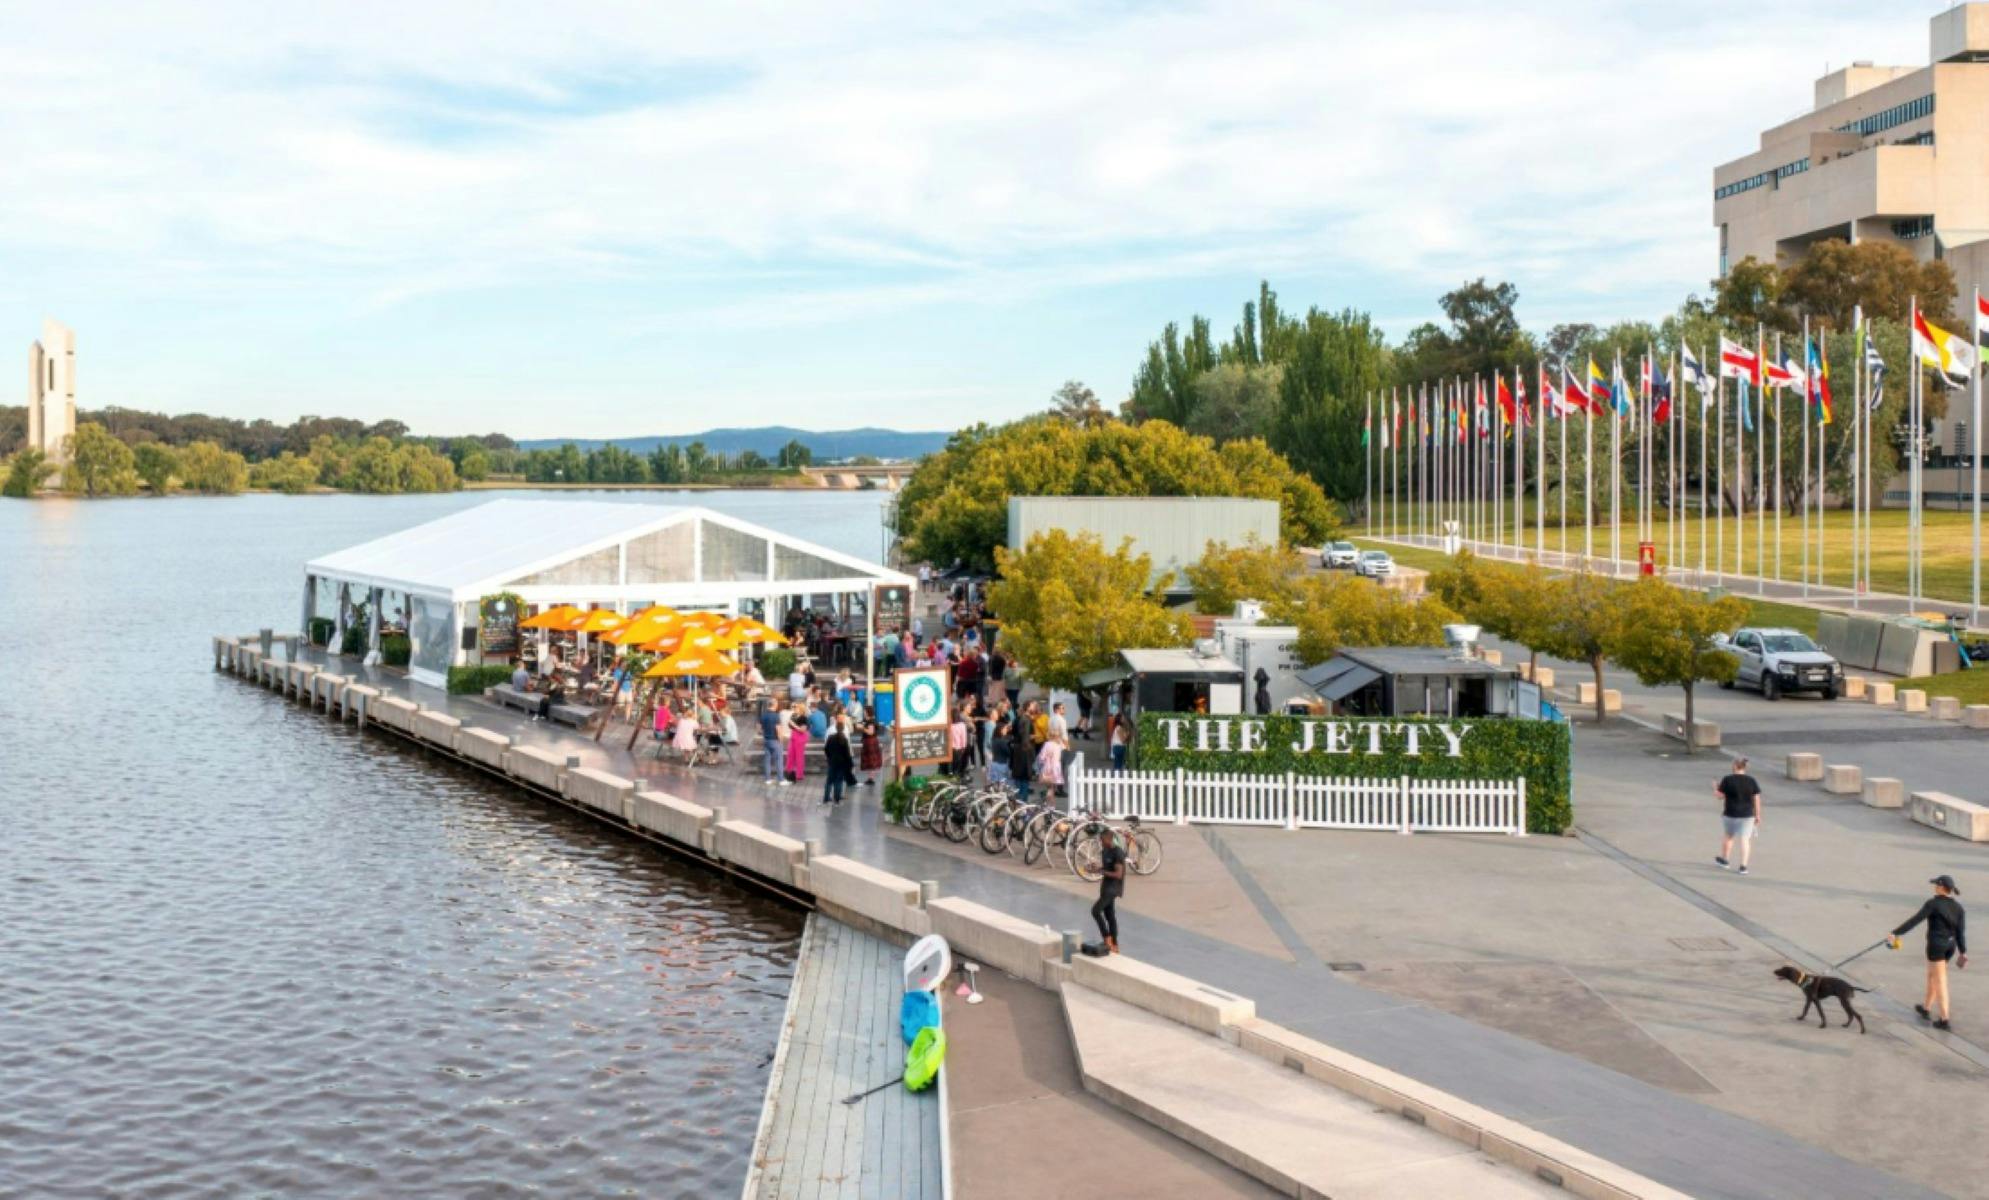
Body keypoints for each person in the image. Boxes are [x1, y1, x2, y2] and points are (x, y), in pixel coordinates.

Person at [1889, 875, 1968, 1030]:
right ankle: (1926, 1008)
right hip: (1950, 947)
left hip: (1936, 947)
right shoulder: (1959, 908)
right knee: (1933, 976)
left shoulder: (1933, 904)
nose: (1934, 887)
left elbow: (1915, 920)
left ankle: (1945, 1019)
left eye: (1936, 885)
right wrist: (1963, 952)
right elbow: (1960, 932)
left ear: (1940, 887)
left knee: (1940, 981)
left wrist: (1896, 932)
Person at [1714, 757, 1762, 875]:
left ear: (1735, 766)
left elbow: (1720, 796)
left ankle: (1725, 860)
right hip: (1747, 815)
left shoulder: (1727, 779)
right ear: (1744, 767)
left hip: (1730, 813)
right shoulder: (1751, 781)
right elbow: (1756, 799)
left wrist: (1715, 788)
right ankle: (1743, 866)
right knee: (1745, 839)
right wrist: (1758, 814)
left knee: (1729, 836)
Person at [1091, 827, 1125, 954]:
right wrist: (1096, 868)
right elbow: (1106, 868)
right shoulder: (1105, 851)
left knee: (1095, 911)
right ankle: (1114, 945)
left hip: (1113, 888)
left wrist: (1100, 871)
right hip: (1105, 886)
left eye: (1102, 839)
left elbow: (1118, 874)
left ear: (1108, 839)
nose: (1100, 842)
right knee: (1109, 915)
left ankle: (1107, 938)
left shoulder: (1118, 853)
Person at [823, 718, 855, 806]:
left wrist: (829, 757)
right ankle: (836, 799)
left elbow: (826, 749)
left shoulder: (830, 737)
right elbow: (847, 753)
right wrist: (849, 764)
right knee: (839, 781)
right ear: (843, 728)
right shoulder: (844, 739)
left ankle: (826, 798)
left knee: (829, 781)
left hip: (832, 762)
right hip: (841, 763)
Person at [758, 695, 782, 784]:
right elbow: (778, 730)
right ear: (775, 705)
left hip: (766, 740)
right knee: (778, 760)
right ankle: (781, 779)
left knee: (767, 760)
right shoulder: (776, 716)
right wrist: (780, 740)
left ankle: (768, 779)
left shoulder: (763, 716)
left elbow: (759, 729)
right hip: (774, 740)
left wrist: (765, 732)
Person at [858, 711, 884, 787]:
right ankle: (870, 778)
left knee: (871, 761)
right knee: (871, 762)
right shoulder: (870, 721)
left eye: (865, 712)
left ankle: (871, 779)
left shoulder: (870, 722)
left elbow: (870, 732)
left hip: (870, 742)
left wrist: (862, 728)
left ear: (868, 713)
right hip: (871, 742)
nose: (864, 713)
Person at [786, 703, 810, 782]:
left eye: (796, 707)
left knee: (799, 756)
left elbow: (803, 730)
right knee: (790, 754)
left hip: (800, 737)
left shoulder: (804, 718)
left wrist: (794, 725)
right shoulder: (794, 715)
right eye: (794, 707)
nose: (794, 708)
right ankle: (789, 771)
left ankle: (799, 774)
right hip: (793, 736)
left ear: (800, 709)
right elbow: (790, 725)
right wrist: (790, 723)